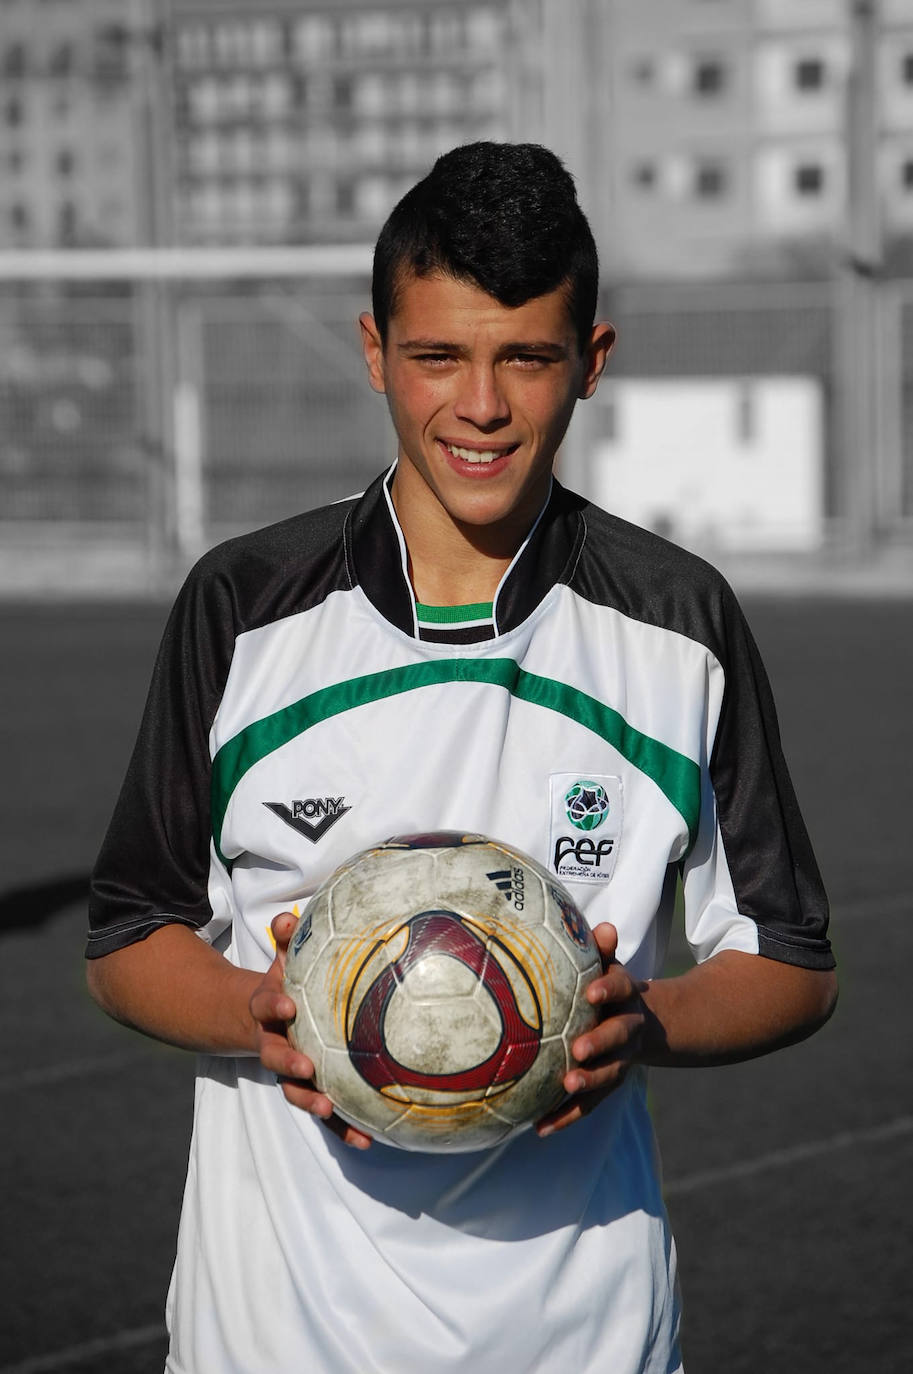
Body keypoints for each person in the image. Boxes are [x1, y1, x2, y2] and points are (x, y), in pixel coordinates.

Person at [86, 142, 837, 1374]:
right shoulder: (243, 608)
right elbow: (126, 936)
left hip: (580, 1333)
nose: (479, 406)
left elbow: (792, 965)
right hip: (271, 1336)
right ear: (375, 351)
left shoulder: (676, 625)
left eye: (524, 357)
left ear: (588, 363)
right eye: (436, 355)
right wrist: (259, 1013)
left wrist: (639, 1020)